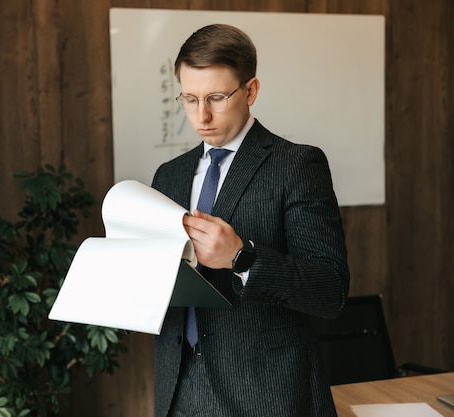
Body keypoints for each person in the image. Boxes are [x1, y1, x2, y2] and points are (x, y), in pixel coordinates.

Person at [150, 23, 350, 417]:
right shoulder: (168, 176)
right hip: (177, 390)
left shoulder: (296, 165)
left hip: (266, 394)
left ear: (251, 90)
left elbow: (330, 292)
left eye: (216, 97)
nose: (200, 114)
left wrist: (241, 258)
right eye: (189, 99)